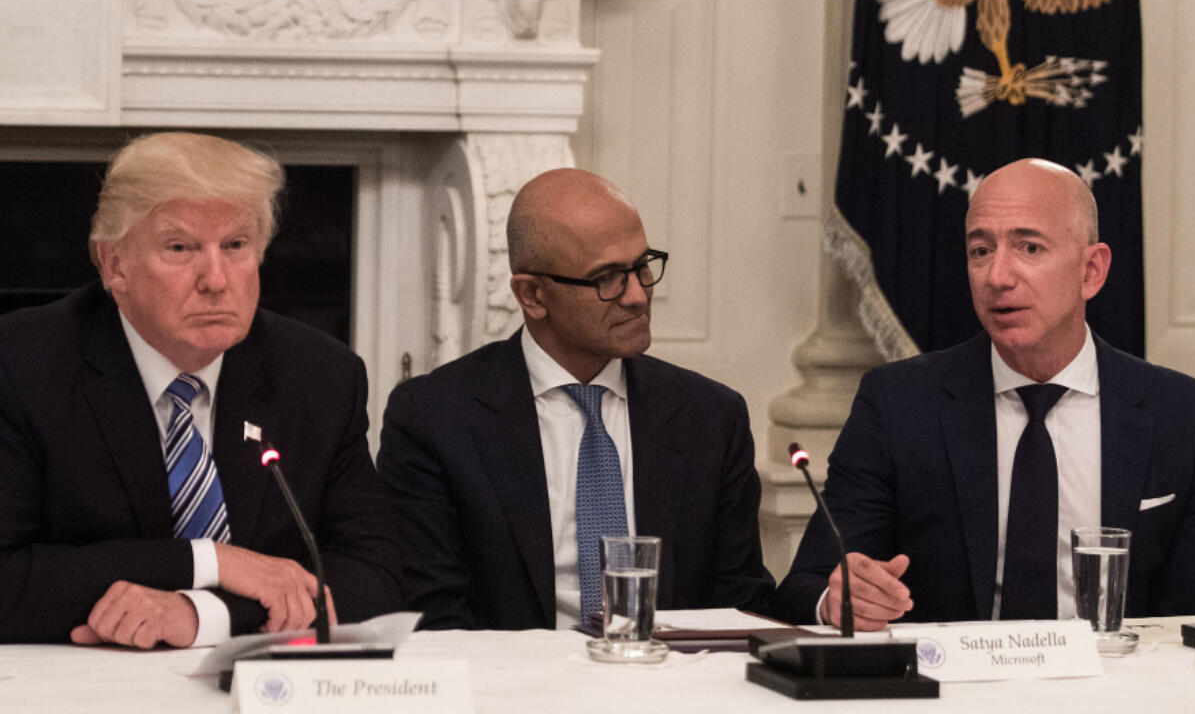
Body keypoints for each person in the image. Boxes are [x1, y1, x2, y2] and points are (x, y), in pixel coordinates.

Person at [773, 158, 1195, 629]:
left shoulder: (1177, 412)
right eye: (980, 250)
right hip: (951, 693)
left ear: (1092, 271)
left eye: (1029, 247)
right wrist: (838, 599)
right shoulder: (899, 404)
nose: (997, 276)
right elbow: (805, 586)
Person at [0, 132, 402, 648]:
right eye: (180, 248)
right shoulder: (22, 366)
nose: (216, 279)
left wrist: (202, 614)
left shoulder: (320, 375)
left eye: (236, 246)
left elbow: (377, 575)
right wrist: (212, 561)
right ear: (114, 265)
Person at [378, 168, 774, 630]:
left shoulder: (711, 417)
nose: (637, 296)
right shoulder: (434, 418)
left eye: (642, 266)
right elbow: (433, 617)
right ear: (532, 295)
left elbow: (739, 603)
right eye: (607, 278)